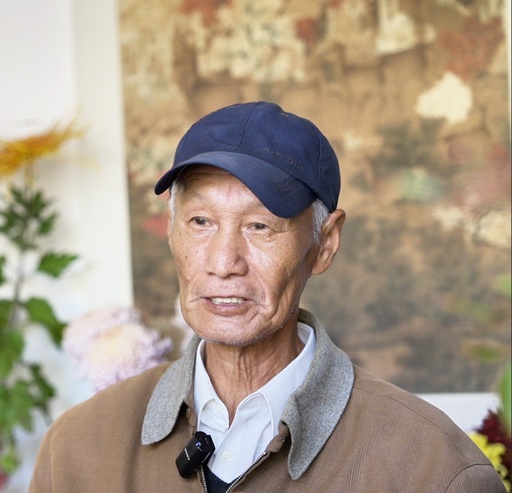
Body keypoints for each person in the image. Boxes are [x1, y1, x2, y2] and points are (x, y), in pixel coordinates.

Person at [29, 101, 505, 492]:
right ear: (171, 229)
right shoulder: (77, 450)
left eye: (259, 226)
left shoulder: (433, 469)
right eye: (201, 222)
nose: (223, 262)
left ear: (325, 244)